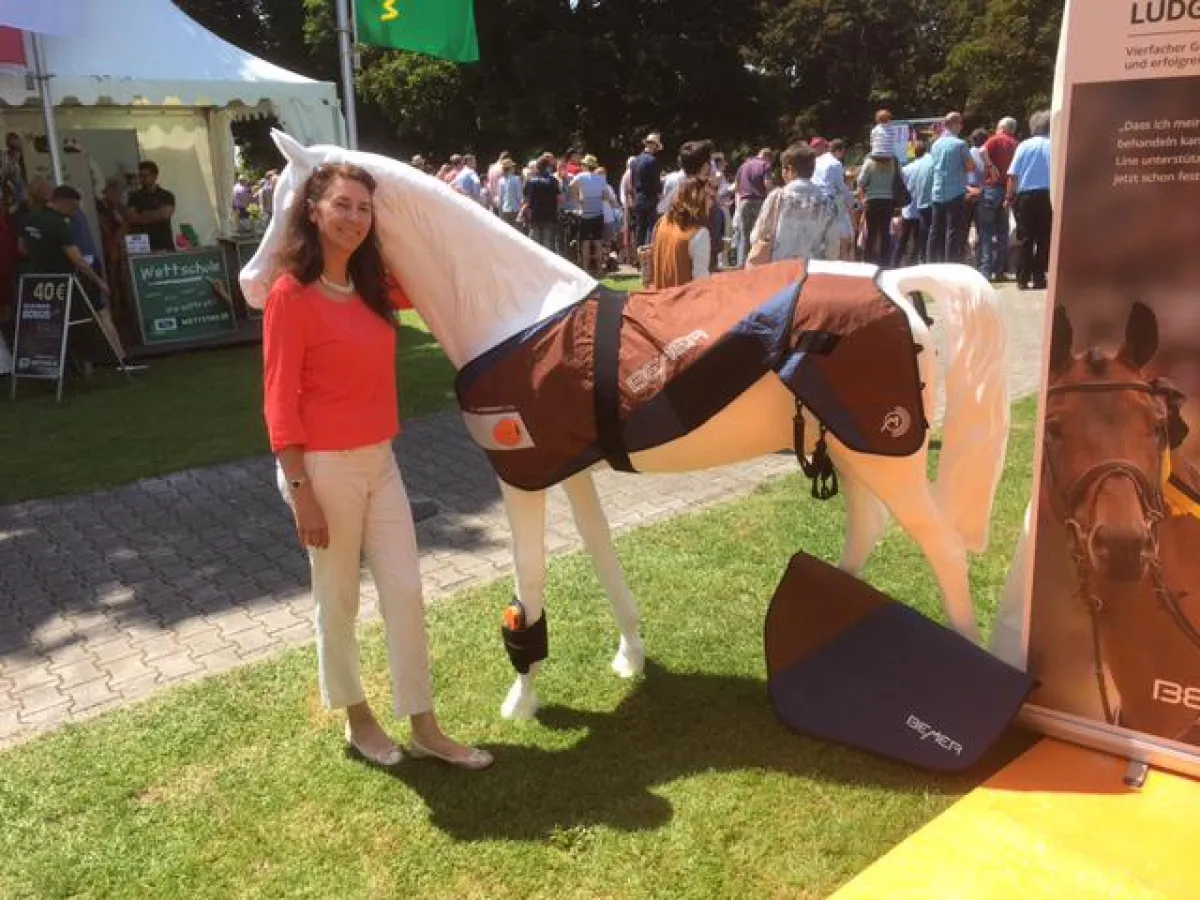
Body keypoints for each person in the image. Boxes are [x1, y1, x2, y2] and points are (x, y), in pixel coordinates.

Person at [262, 162, 493, 771]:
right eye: (342, 204)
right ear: (313, 210)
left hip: (380, 460)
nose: (354, 217)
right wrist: (300, 490)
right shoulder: (290, 295)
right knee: (337, 599)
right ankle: (357, 716)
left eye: (364, 207)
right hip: (322, 469)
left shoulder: (372, 286)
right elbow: (279, 401)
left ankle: (425, 725)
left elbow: (433, 273)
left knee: (406, 592)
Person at [18, 184, 143, 370]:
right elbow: (77, 259)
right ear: (65, 203)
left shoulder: (30, 219)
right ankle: (121, 359)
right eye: (74, 208)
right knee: (102, 313)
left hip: (43, 280)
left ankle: (47, 364)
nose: (74, 213)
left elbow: (22, 248)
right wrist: (99, 281)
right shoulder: (60, 225)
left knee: (50, 321)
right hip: (70, 280)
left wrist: (43, 256)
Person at [746, 142, 836, 266]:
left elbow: (757, 236)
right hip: (811, 268)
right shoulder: (827, 204)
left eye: (783, 168)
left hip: (779, 268)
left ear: (790, 170)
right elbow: (832, 246)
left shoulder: (778, 197)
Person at [1008, 109, 1053, 291]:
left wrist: (1010, 197)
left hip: (1026, 196)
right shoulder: (1054, 145)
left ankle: (1022, 278)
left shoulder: (1023, 146)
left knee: (1025, 239)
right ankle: (1039, 277)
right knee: (1044, 238)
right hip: (1048, 195)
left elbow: (1013, 175)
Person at [926, 111, 976, 263]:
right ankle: (950, 263)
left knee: (935, 230)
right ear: (953, 124)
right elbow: (971, 166)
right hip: (955, 192)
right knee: (953, 231)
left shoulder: (935, 144)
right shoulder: (960, 144)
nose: (961, 126)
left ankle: (931, 262)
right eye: (960, 123)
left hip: (937, 192)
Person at [649, 176, 712, 289]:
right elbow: (701, 282)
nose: (711, 202)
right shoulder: (699, 234)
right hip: (684, 299)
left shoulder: (662, 223)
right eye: (708, 197)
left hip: (661, 296)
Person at [733, 147, 774, 267]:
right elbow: (767, 184)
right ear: (767, 157)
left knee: (744, 236)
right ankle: (756, 265)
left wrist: (738, 205)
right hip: (759, 202)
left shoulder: (743, 166)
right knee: (759, 235)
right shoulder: (765, 165)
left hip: (744, 203)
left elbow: (737, 187)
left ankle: (741, 265)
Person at [125, 161, 176, 251]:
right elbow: (131, 217)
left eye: (145, 176)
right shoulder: (134, 196)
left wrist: (142, 214)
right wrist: (155, 214)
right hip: (140, 245)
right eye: (140, 176)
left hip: (163, 243)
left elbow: (165, 215)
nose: (142, 179)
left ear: (154, 176)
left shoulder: (166, 195)